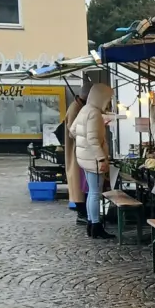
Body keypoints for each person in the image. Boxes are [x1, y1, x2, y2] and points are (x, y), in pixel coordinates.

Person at [71, 83, 114, 240]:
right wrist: (101, 158)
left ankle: (91, 223)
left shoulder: (85, 109)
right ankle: (96, 226)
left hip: (84, 158)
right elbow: (93, 139)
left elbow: (73, 130)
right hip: (93, 160)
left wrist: (82, 141)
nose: (109, 102)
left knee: (91, 192)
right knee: (95, 193)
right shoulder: (94, 113)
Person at [64, 88, 89, 222]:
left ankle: (84, 212)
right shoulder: (75, 108)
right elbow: (73, 131)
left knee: (81, 183)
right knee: (78, 183)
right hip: (76, 150)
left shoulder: (79, 107)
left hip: (79, 150)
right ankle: (82, 213)